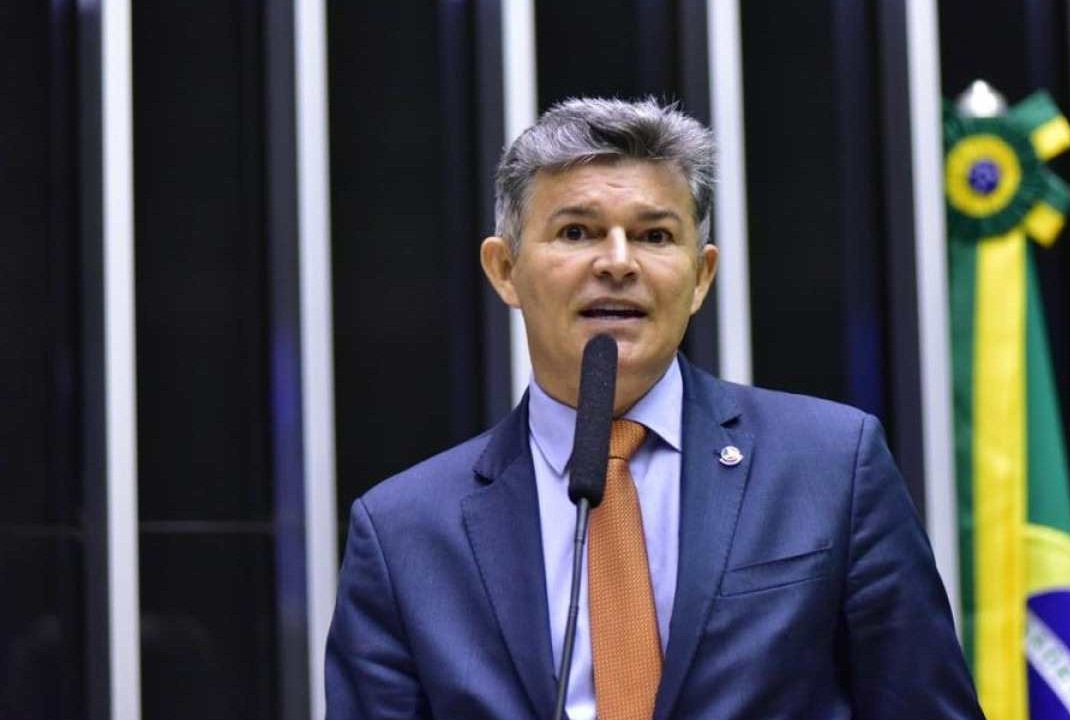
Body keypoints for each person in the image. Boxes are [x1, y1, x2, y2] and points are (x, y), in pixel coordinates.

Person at [325, 97, 984, 720]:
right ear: (505, 270)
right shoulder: (404, 532)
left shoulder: (830, 465)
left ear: (700, 276)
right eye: (577, 231)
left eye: (654, 235)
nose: (618, 262)